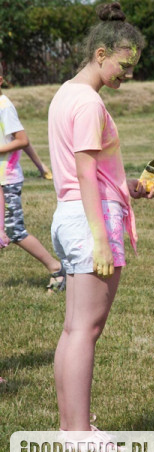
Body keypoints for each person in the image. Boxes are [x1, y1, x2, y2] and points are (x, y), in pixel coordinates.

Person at [48, 2, 154, 444]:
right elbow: (84, 173)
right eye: (124, 65)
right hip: (89, 220)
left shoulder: (65, 94)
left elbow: (90, 170)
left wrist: (128, 185)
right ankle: (78, 431)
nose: (127, 75)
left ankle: (70, 426)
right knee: (86, 331)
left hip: (70, 215)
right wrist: (100, 238)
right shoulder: (90, 103)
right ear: (101, 54)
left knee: (76, 328)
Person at [0, 62, 65, 291]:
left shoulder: (3, 106)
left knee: (14, 231)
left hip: (7, 180)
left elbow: (22, 139)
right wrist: (40, 165)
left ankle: (56, 268)